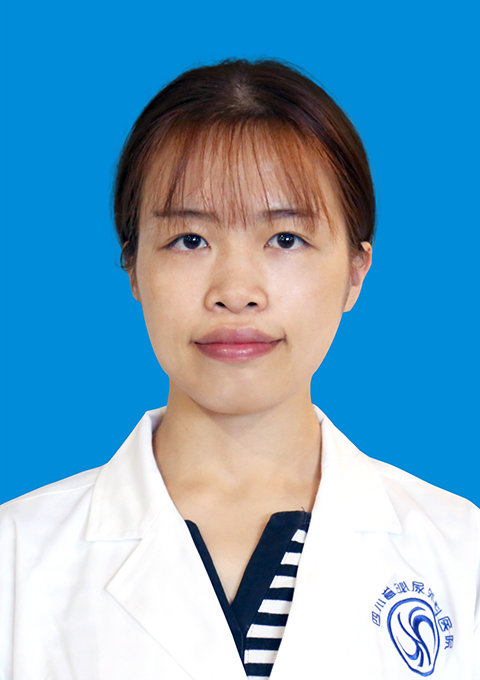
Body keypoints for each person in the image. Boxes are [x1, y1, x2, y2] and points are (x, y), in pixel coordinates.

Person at [0, 58, 478, 680]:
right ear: (133, 267)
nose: (235, 291)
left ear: (356, 272)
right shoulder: (16, 559)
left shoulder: (461, 554)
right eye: (190, 240)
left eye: (286, 239)